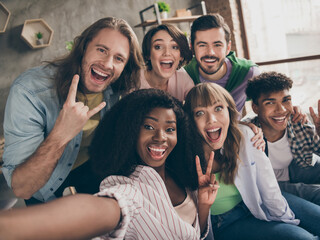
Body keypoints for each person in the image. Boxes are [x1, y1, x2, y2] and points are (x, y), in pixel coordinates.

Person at [0, 89, 219, 239]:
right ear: (130, 131)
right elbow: (104, 209)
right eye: (149, 127)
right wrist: (10, 227)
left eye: (170, 129)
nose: (161, 137)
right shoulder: (130, 188)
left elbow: (194, 232)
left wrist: (203, 205)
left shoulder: (182, 175)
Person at [184, 82, 320, 240]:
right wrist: (203, 203)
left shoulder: (244, 136)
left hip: (255, 201)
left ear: (229, 112)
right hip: (224, 222)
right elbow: (195, 227)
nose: (211, 119)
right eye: (200, 113)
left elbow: (267, 185)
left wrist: (283, 216)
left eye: (218, 109)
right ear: (190, 120)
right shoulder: (185, 158)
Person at [2, 17, 143, 205]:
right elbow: (22, 188)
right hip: (46, 186)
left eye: (119, 58)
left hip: (93, 173)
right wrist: (61, 134)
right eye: (101, 50)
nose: (108, 64)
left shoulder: (118, 88)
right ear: (83, 47)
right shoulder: (30, 90)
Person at [245, 71, 320, 238]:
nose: (281, 110)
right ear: (255, 107)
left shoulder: (297, 123)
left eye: (286, 100)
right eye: (270, 103)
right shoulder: (246, 133)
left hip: (298, 166)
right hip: (272, 183)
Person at [184, 13, 260, 114]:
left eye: (217, 45)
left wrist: (244, 124)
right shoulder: (183, 77)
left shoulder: (248, 73)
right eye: (202, 45)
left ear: (228, 48)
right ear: (192, 48)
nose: (210, 52)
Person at [140, 24, 194, 102]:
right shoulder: (134, 82)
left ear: (181, 55)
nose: (167, 53)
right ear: (148, 54)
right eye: (158, 47)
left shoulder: (183, 79)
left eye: (174, 47)